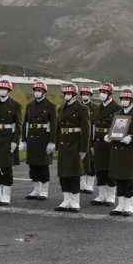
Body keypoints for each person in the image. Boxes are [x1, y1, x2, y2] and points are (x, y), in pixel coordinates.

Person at [104, 89, 133, 216]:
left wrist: (132, 138)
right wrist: (109, 137)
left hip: (129, 151)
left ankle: (129, 206)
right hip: (117, 150)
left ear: (131, 100)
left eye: (127, 99)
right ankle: (120, 205)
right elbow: (115, 130)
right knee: (119, 178)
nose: (124, 101)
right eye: (122, 98)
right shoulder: (118, 113)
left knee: (128, 179)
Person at [54, 84, 90, 213]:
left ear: (75, 95)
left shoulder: (82, 108)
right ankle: (66, 200)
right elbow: (58, 128)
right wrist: (56, 144)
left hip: (75, 144)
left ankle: (75, 201)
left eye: (69, 93)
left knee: (74, 174)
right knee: (63, 174)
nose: (66, 95)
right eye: (65, 93)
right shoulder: (60, 108)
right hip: (63, 144)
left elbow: (86, 130)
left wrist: (84, 149)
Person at [22, 82, 57, 201]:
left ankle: (44, 191)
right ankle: (36, 190)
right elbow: (25, 124)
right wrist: (24, 140)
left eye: (39, 90)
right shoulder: (30, 105)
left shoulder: (50, 106)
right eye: (36, 89)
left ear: (44, 92)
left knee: (43, 166)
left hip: (44, 139)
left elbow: (54, 125)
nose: (37, 91)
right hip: (32, 139)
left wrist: (52, 142)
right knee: (33, 166)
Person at [90, 83, 121, 206]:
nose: (102, 94)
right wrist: (92, 143)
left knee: (110, 169)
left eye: (105, 92)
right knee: (99, 168)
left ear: (110, 94)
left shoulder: (116, 108)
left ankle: (111, 196)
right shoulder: (97, 108)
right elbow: (93, 126)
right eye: (101, 92)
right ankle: (102, 195)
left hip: (110, 141)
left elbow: (120, 126)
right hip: (98, 140)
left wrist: (113, 138)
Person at [78, 86, 98, 194]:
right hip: (79, 137)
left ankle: (90, 185)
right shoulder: (78, 106)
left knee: (91, 162)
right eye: (83, 93)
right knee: (81, 161)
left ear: (90, 95)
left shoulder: (95, 107)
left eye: (87, 93)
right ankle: (82, 184)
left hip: (92, 136)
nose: (85, 95)